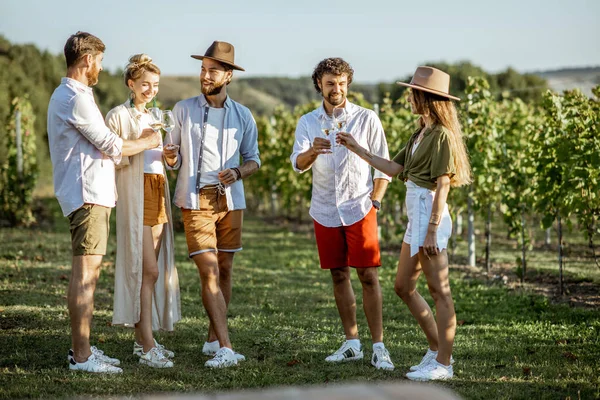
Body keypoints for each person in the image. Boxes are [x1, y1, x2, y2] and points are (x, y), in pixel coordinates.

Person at [337, 66, 472, 381]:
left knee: (440, 291)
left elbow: (443, 185)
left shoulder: (441, 135)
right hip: (418, 215)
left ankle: (444, 363)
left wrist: (433, 228)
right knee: (403, 286)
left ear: (426, 98)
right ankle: (436, 349)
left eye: (413, 93)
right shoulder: (420, 133)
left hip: (429, 215)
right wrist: (356, 148)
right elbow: (393, 167)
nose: (408, 98)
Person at [47, 32, 161, 373]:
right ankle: (81, 356)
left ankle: (82, 348)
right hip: (87, 195)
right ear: (87, 61)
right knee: (85, 275)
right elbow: (112, 145)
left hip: (91, 194)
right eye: (98, 61)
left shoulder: (74, 95)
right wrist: (148, 140)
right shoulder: (75, 98)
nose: (100, 67)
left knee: (90, 274)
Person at [290, 57, 395, 371]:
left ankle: (379, 346)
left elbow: (383, 165)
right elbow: (297, 163)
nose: (336, 89)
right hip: (324, 209)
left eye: (341, 83)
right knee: (338, 274)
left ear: (348, 84)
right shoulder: (308, 122)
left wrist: (374, 201)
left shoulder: (366, 119)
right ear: (319, 85)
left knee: (369, 276)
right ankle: (352, 343)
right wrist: (313, 150)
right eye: (330, 83)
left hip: (359, 206)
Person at [163, 41, 260, 368]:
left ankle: (212, 339)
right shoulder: (182, 110)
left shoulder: (243, 116)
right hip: (195, 200)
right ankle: (227, 348)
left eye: (212, 70)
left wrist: (237, 171)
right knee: (209, 271)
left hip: (231, 200)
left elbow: (254, 160)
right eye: (203, 69)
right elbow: (172, 157)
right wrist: (172, 157)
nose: (205, 75)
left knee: (225, 270)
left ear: (228, 76)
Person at [105, 54, 181, 369]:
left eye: (155, 85)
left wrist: (171, 158)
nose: (150, 90)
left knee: (151, 271)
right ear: (131, 84)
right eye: (145, 84)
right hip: (135, 194)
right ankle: (146, 343)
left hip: (156, 190)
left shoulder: (155, 116)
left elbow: (160, 160)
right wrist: (140, 141)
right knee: (145, 270)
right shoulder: (117, 116)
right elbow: (111, 156)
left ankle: (144, 340)